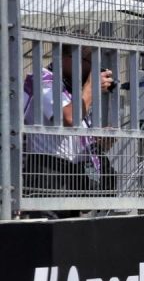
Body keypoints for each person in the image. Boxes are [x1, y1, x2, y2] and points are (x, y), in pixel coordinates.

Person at [22, 47, 115, 198]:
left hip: (75, 173)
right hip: (49, 172)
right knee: (50, 222)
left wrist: (99, 141)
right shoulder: (42, 79)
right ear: (65, 58)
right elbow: (70, 118)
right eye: (88, 61)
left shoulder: (74, 88)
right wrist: (91, 88)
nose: (92, 69)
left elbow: (74, 134)